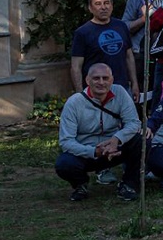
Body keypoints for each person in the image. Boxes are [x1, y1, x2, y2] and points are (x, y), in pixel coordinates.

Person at [55, 63, 143, 203]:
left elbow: (134, 123)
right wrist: (94, 151)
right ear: (87, 80)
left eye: (105, 78)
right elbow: (66, 141)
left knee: (141, 140)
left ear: (112, 80)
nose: (101, 82)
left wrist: (117, 139)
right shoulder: (74, 103)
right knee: (64, 164)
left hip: (114, 148)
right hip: (87, 152)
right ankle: (80, 184)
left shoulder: (120, 92)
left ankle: (129, 184)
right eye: (96, 78)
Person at [71, 0, 138, 97]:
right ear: (90, 8)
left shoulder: (121, 26)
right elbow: (76, 67)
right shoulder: (82, 33)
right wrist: (80, 95)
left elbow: (129, 57)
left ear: (111, 5)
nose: (103, 7)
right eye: (98, 4)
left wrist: (134, 84)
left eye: (107, 3)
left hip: (123, 88)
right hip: (96, 91)